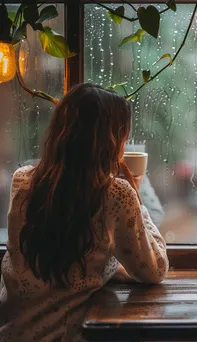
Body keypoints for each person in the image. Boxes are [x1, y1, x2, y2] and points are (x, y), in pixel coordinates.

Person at [0, 83, 169, 341]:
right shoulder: (115, 193)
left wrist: (108, 268)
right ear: (111, 140)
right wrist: (137, 197)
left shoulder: (22, 181)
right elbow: (155, 269)